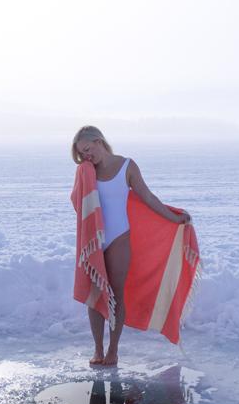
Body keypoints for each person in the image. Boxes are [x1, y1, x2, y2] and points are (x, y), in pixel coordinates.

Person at [71, 126, 190, 367]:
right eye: (81, 155)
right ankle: (98, 349)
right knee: (95, 296)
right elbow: (78, 202)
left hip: (118, 238)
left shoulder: (127, 166)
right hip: (94, 239)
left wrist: (174, 218)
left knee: (116, 293)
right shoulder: (86, 171)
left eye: (87, 150)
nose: (86, 157)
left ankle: (113, 350)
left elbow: (147, 197)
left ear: (98, 141)